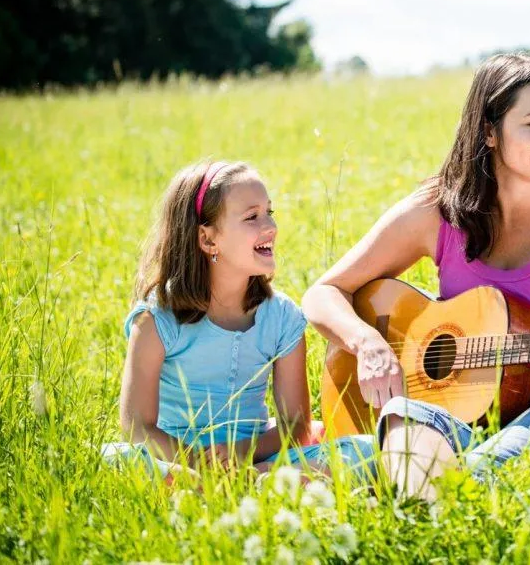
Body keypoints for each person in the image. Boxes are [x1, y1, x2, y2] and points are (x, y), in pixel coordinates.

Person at [303, 53, 530, 498]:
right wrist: (367, 343)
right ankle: (418, 471)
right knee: (407, 424)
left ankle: (414, 481)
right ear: (488, 130)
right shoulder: (439, 208)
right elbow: (325, 292)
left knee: (476, 470)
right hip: (456, 403)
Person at [103, 161, 367, 480]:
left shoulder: (282, 317)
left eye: (270, 212)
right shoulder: (157, 318)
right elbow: (137, 426)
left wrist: (240, 455)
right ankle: (256, 485)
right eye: (252, 217)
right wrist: (200, 464)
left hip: (253, 456)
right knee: (112, 459)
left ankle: (258, 479)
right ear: (208, 240)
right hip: (176, 459)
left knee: (364, 451)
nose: (270, 225)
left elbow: (296, 427)